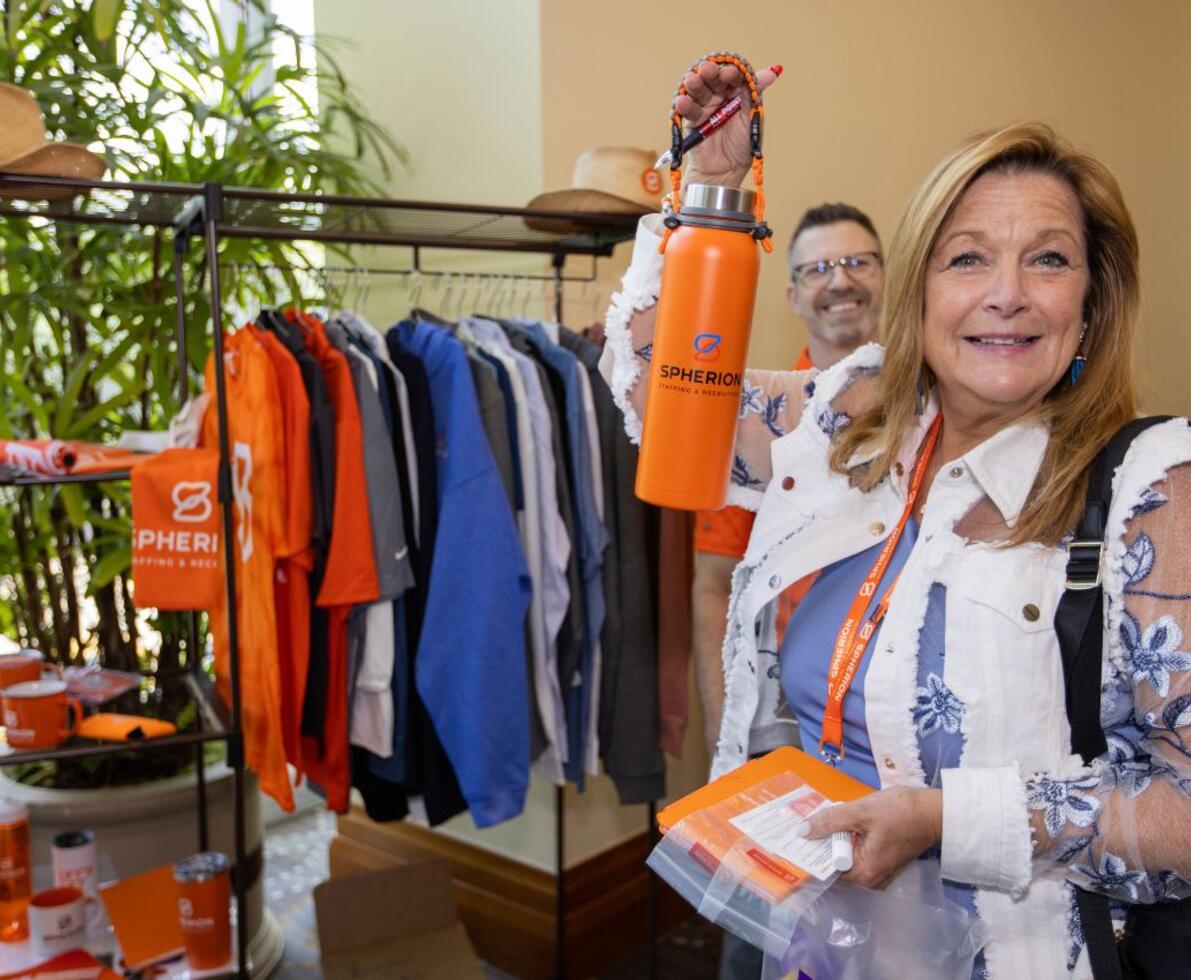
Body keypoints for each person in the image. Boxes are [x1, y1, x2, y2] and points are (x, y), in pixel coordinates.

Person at [602, 57, 1191, 976]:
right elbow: (661, 393)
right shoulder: (854, 428)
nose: (1007, 293)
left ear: (1091, 300)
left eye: (1047, 258)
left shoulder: (1151, 491)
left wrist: (943, 822)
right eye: (967, 257)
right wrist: (712, 188)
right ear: (918, 287)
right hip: (821, 939)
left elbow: (1185, 811)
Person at [693, 202, 884, 755]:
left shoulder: (937, 409)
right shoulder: (757, 426)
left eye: (857, 262)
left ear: (883, 276)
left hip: (896, 713)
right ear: (793, 296)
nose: (840, 280)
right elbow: (712, 587)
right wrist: (721, 733)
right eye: (817, 269)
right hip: (789, 720)